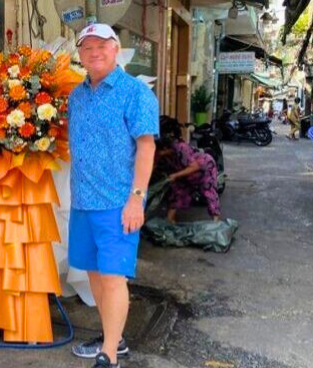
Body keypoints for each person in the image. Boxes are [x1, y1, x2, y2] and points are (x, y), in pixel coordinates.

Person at [67, 23, 159, 368]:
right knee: (94, 275)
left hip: (118, 203)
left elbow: (146, 147)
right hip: (82, 202)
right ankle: (113, 338)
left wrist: (137, 197)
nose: (94, 53)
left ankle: (108, 356)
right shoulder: (77, 96)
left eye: (101, 46)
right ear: (80, 55)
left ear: (116, 48)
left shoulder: (135, 92)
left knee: (112, 276)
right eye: (87, 48)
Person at [157, 121, 222, 223]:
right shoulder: (164, 155)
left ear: (166, 148)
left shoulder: (181, 148)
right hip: (184, 173)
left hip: (204, 169)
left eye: (161, 151)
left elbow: (194, 166)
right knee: (177, 193)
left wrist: (175, 175)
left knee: (208, 193)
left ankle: (216, 222)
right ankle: (170, 220)